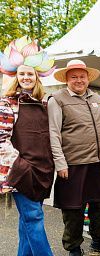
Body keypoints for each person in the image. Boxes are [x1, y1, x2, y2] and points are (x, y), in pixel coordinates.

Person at [48, 59, 100, 256]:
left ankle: (98, 240)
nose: (79, 80)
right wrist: (60, 163)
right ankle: (74, 247)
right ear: (67, 79)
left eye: (82, 77)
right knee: (73, 208)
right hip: (73, 164)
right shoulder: (57, 99)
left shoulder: (97, 98)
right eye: (74, 77)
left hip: (99, 163)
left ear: (87, 78)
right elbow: (54, 133)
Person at [0, 36, 55, 256]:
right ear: (16, 76)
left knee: (27, 222)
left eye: (30, 74)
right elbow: (1, 140)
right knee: (34, 218)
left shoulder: (45, 104)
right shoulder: (7, 104)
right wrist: (19, 165)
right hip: (22, 171)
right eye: (22, 73)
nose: (26, 77)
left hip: (43, 171)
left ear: (37, 78)